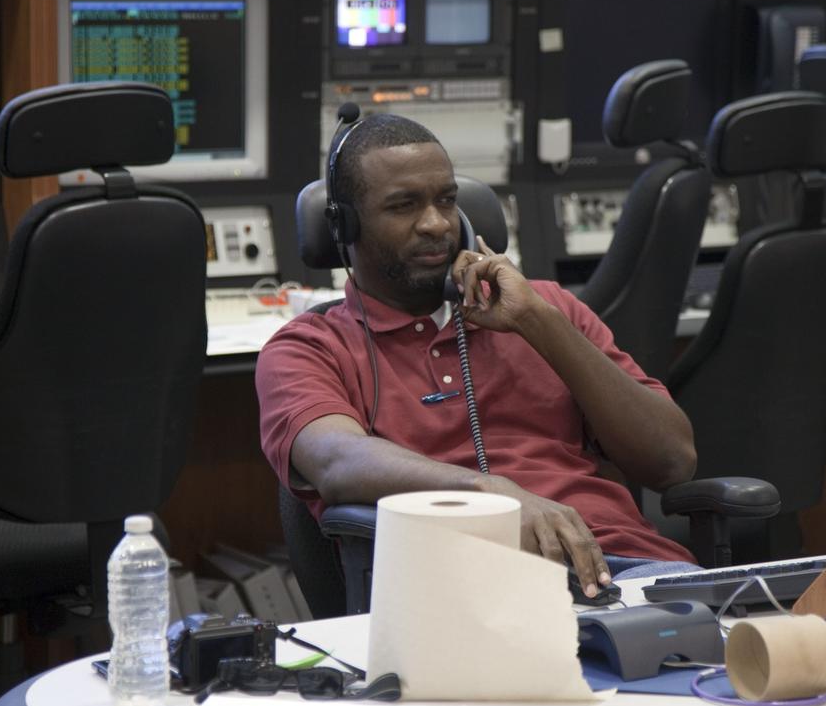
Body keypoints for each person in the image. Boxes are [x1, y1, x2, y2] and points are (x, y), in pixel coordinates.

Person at [257, 114, 698, 598]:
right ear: (347, 224)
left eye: (446, 201)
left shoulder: (546, 309)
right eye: (404, 206)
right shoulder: (308, 347)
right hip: (466, 596)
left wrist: (538, 322)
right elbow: (339, 461)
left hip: (627, 572)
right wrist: (491, 494)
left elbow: (671, 461)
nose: (436, 224)